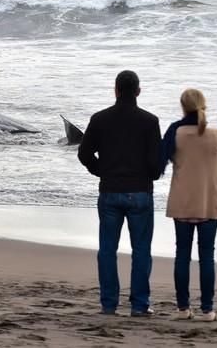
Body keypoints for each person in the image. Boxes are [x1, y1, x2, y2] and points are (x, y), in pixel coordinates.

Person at [78, 70, 161, 316]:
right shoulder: (149, 121)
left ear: (115, 90)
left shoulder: (100, 119)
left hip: (110, 191)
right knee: (142, 250)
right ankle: (139, 305)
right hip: (140, 193)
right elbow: (156, 165)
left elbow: (84, 154)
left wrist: (100, 170)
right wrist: (150, 176)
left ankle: (109, 304)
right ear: (138, 91)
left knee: (107, 250)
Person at [160, 89, 217, 322]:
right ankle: (208, 310)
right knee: (207, 256)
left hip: (182, 202)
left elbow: (162, 160)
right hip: (209, 202)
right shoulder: (215, 134)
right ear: (203, 105)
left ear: (182, 106)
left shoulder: (175, 133)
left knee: (182, 255)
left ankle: (182, 308)